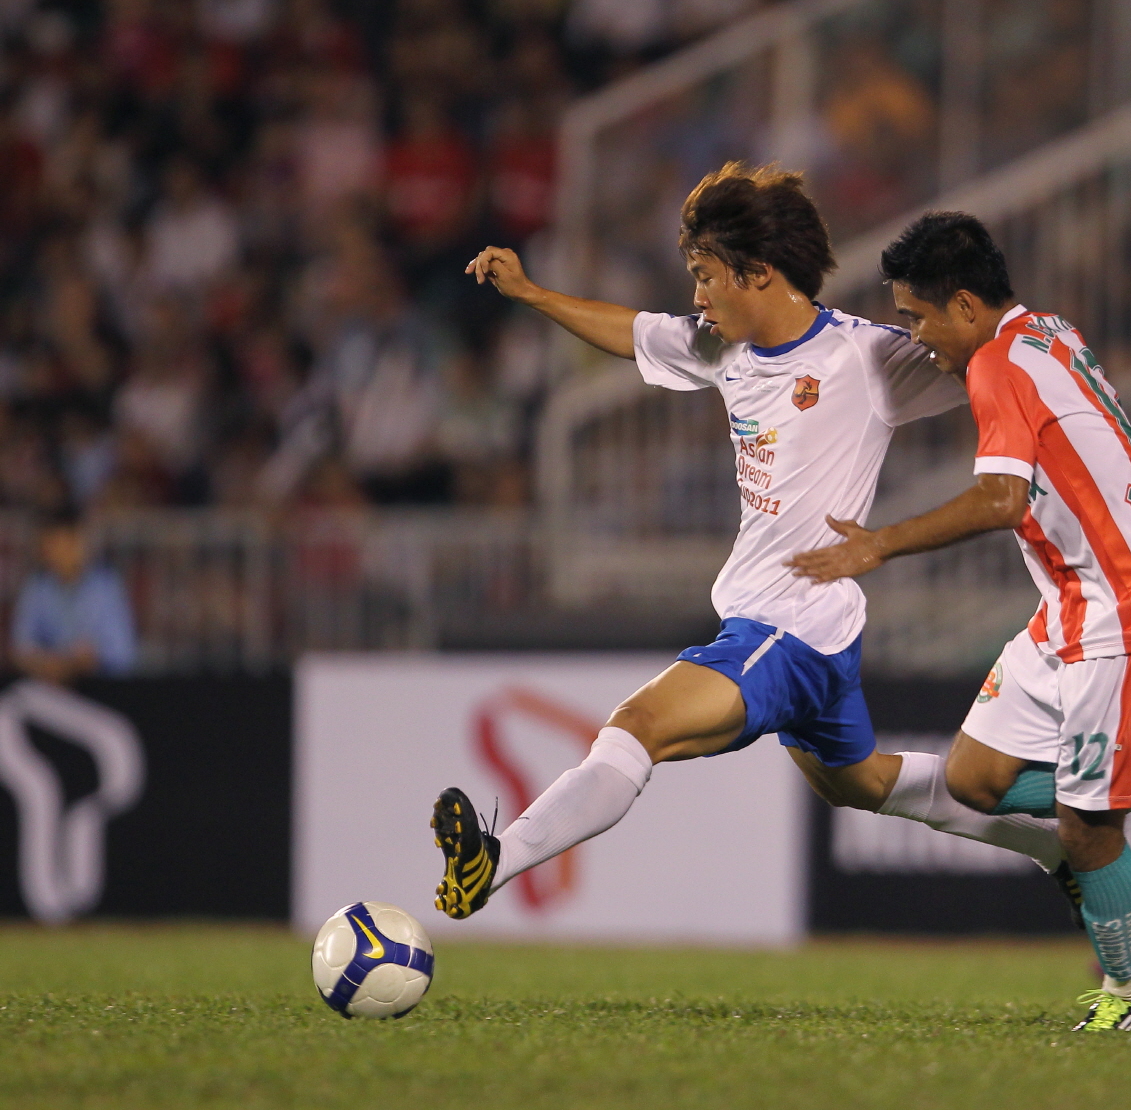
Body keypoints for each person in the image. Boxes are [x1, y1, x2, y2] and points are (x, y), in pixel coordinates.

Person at [431, 164, 1067, 927]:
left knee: (637, 728)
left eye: (705, 276)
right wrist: (533, 295)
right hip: (816, 632)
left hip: (788, 629)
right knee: (863, 783)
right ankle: (1055, 845)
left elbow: (981, 353)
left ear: (757, 272)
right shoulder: (720, 348)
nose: (697, 296)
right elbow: (633, 332)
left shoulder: (863, 359)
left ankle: (496, 859)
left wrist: (1059, 375)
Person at [788, 212, 1131, 1032]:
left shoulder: (997, 363)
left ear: (964, 304)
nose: (914, 337)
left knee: (1085, 826)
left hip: (1125, 616)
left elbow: (1002, 499)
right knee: (974, 780)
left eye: (917, 317)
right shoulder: (1046, 330)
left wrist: (880, 543)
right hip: (1068, 606)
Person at [10, 510, 138, 682]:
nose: (58, 553)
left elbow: (123, 654)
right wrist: (47, 663)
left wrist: (85, 660)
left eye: (64, 544)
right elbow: (20, 647)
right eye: (51, 545)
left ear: (80, 543)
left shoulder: (106, 586)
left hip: (99, 687)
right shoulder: (37, 587)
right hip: (46, 685)